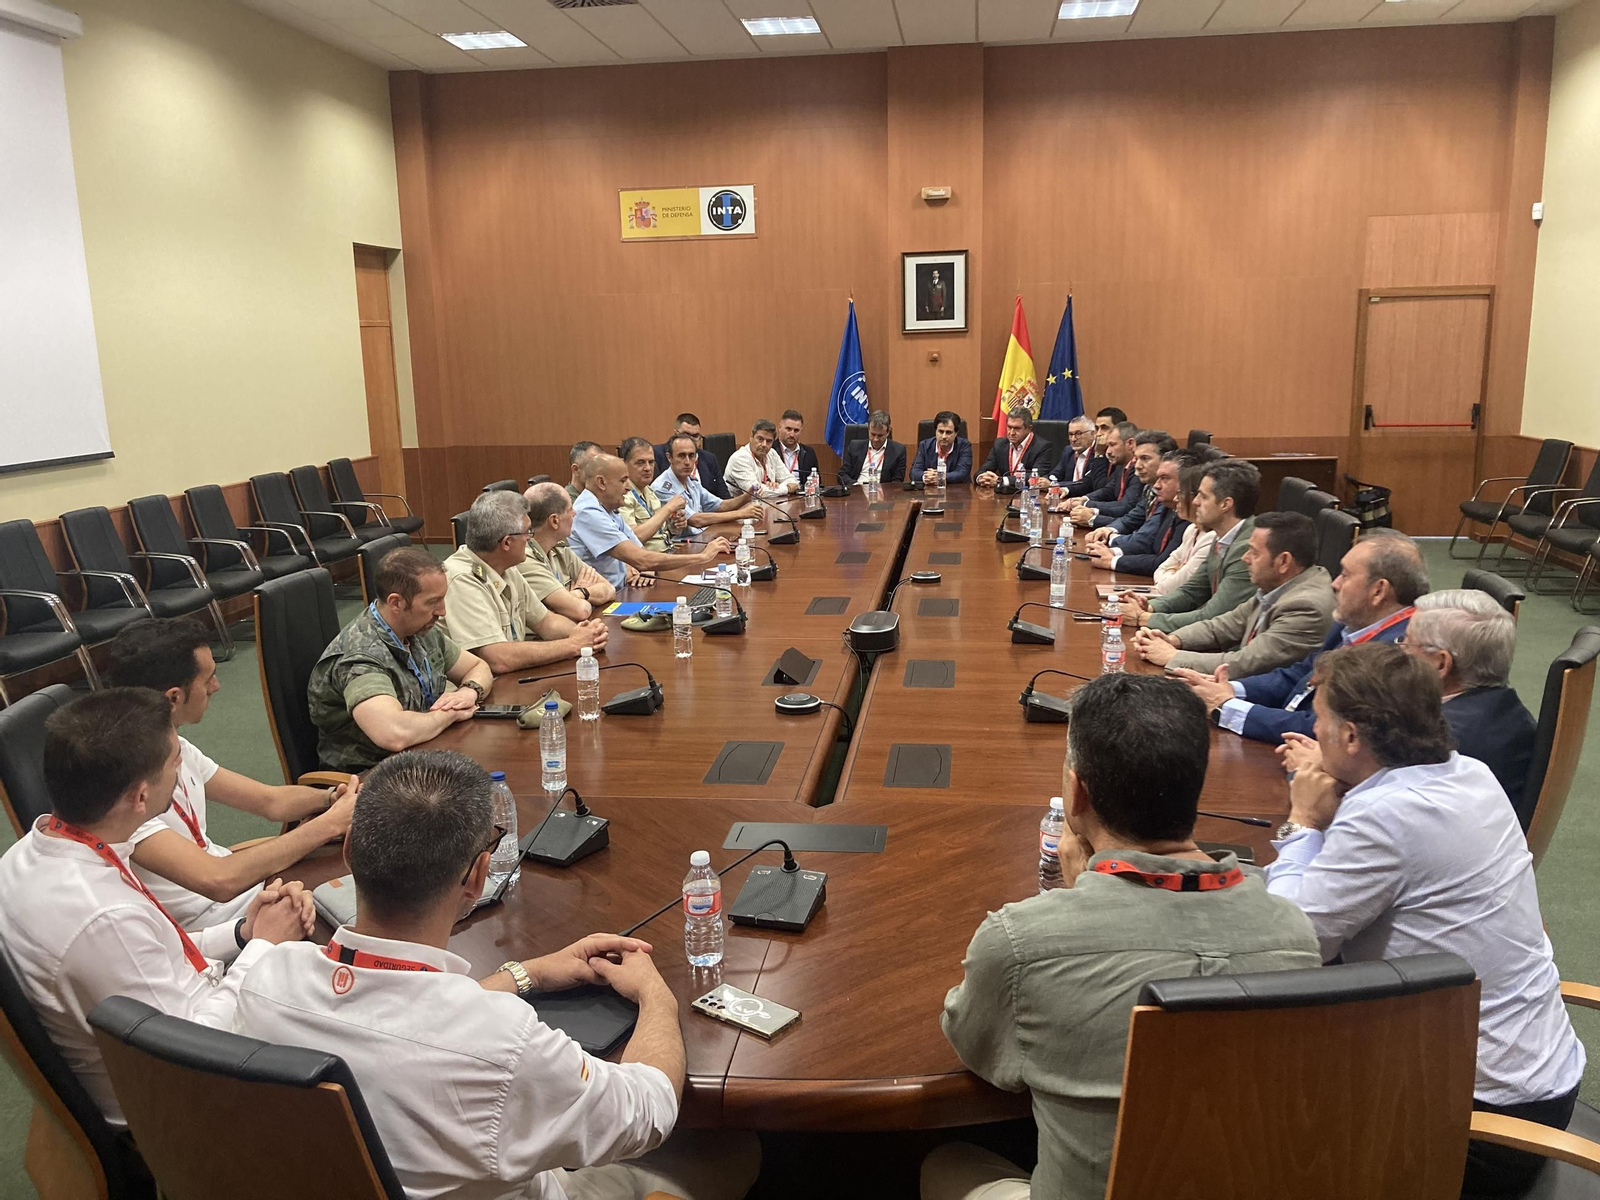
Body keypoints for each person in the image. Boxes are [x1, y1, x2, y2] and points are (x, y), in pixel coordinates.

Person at [234, 750, 762, 1200]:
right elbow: (648, 1110)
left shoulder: (266, 977)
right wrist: (655, 994)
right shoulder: (502, 1043)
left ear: (349, 852)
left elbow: (397, 1011)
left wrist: (527, 974)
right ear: (477, 876)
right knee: (735, 1151)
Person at [931, 675, 1319, 1200]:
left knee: (945, 1162)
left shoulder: (1020, 943)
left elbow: (978, 1053)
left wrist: (1074, 898)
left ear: (1077, 792)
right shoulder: (1293, 934)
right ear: (1193, 787)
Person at [1265, 644, 1583, 1200]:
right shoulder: (1472, 775)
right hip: (1536, 1083)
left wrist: (1303, 824)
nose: (1313, 732)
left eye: (1319, 721)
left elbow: (1292, 943)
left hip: (1476, 1126)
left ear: (1351, 737)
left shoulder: (1383, 815)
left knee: (1246, 1098)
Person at [0, 689, 312, 1124]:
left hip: (163, 1033)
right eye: (175, 763)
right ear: (141, 798)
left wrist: (242, 933)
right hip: (180, 1101)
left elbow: (158, 953)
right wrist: (264, 946)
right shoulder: (104, 916)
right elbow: (196, 1048)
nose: (182, 768)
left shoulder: (35, 851)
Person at [104, 618, 358, 932]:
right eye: (208, 679)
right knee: (369, 877)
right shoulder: (123, 793)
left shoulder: (174, 746)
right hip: (213, 922)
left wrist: (331, 799)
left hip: (241, 888)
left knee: (362, 863)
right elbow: (218, 880)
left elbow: (270, 801)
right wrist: (330, 823)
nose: (216, 686)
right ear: (174, 697)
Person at [1172, 527, 1428, 744]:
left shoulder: (1396, 654)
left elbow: (1326, 729)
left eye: (1345, 575)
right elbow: (1299, 675)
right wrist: (1231, 689)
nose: (1335, 583)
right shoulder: (1350, 625)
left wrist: (1226, 707)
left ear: (1379, 590)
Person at [308, 546, 495, 772]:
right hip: (371, 776)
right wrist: (450, 714)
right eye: (432, 602)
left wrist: (468, 692)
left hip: (423, 754)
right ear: (396, 603)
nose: (442, 611)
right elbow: (393, 733)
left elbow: (477, 666)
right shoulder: (360, 656)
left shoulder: (419, 629)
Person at [1134, 511, 1334, 679]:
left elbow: (1246, 663)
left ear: (1283, 562)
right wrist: (1173, 639)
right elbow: (1223, 626)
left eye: (1254, 552)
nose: (1245, 558)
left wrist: (1172, 656)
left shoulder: (1305, 606)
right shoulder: (1278, 585)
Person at [1404, 589, 1538, 824]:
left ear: (1441, 664)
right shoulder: (1506, 707)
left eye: (1407, 643)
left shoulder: (1439, 741)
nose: (1400, 652)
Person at [441, 491, 607, 675]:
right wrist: (573, 644)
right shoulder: (462, 580)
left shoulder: (506, 567)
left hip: (510, 678)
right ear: (507, 543)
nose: (531, 538)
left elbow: (546, 621)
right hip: (478, 688)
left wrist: (587, 634)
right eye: (528, 532)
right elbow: (497, 658)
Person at [1121, 458, 1260, 634]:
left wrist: (1144, 618)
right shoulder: (1222, 536)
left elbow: (1212, 616)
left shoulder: (1247, 548)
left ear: (1225, 504)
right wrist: (1149, 606)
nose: (1195, 502)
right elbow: (1192, 591)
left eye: (1203, 496)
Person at [568, 452, 732, 587]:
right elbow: (641, 559)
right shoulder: (588, 512)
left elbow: (639, 552)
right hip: (604, 601)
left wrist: (644, 566)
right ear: (601, 483)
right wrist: (702, 557)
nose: (628, 487)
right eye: (623, 481)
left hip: (626, 587)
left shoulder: (608, 507)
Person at [1083, 450, 1191, 576]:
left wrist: (1113, 560)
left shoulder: (1187, 516)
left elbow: (1163, 561)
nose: (1156, 486)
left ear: (1185, 484)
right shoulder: (1169, 505)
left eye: (1164, 478)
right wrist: (1113, 552)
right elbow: (1150, 545)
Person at [522, 481, 622, 615]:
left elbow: (609, 589)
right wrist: (580, 598)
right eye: (570, 509)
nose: (574, 513)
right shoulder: (525, 559)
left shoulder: (560, 549)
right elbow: (580, 611)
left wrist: (579, 593)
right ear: (554, 521)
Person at [653, 433, 763, 530]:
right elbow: (695, 520)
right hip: (682, 543)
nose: (687, 462)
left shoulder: (691, 481)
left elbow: (720, 506)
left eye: (691, 456)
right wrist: (740, 514)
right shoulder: (663, 487)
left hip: (701, 536)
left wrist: (746, 497)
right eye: (681, 456)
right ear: (669, 457)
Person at [1072, 429, 1177, 529]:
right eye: (1136, 458)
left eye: (1145, 458)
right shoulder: (1149, 488)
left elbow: (1143, 529)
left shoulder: (1170, 496)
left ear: (1165, 460)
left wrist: (1092, 515)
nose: (1137, 466)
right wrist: (1089, 508)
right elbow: (1131, 519)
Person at [1151, 460, 1216, 596]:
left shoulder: (1211, 539)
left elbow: (1171, 588)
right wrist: (1174, 572)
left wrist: (1173, 571)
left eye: (1181, 493)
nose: (1176, 499)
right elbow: (1159, 569)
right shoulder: (1191, 530)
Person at [618, 436, 688, 554]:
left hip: (668, 551)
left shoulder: (648, 490)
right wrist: (668, 508)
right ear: (624, 464)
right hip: (649, 560)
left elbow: (660, 534)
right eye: (640, 463)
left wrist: (673, 527)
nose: (648, 468)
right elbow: (633, 539)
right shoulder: (622, 495)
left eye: (651, 462)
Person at [1054, 421, 1136, 516]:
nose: (1108, 451)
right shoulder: (1122, 464)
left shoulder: (1138, 468)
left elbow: (1125, 507)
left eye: (1112, 445)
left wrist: (1087, 505)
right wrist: (1084, 499)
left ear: (1130, 444)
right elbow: (1108, 490)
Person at [652, 413, 730, 499]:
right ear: (675, 434)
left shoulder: (709, 458)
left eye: (695, 436)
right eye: (686, 435)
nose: (690, 439)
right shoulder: (656, 454)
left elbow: (724, 496)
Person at [975, 408, 1056, 487]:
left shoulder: (1043, 447)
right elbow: (984, 470)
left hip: (1028, 493)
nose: (1011, 433)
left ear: (1029, 428)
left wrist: (1001, 481)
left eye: (1017, 428)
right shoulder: (999, 444)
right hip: (1002, 494)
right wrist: (981, 478)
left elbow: (1036, 476)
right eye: (1009, 427)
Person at [723, 418, 799, 500]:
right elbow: (755, 492)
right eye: (760, 439)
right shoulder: (740, 458)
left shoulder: (772, 454)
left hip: (767, 503)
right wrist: (786, 488)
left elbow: (792, 481)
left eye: (769, 441)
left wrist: (774, 488)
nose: (764, 445)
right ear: (751, 436)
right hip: (740, 506)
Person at [838, 409, 906, 486]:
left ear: (888, 432)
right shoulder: (854, 447)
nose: (876, 439)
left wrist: (882, 490)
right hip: (857, 489)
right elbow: (842, 474)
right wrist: (856, 485)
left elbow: (897, 481)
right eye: (873, 434)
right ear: (868, 429)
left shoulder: (898, 451)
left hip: (883, 491)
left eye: (880, 435)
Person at [911, 411, 974, 485]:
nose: (944, 436)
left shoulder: (964, 446)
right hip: (930, 490)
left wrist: (940, 477)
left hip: (957, 490)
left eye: (948, 432)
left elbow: (962, 473)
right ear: (935, 431)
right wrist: (926, 477)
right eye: (940, 432)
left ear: (956, 433)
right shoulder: (924, 445)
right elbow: (914, 472)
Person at [1051, 415, 1106, 495]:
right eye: (1070, 434)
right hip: (1067, 497)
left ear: (1092, 434)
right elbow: (1056, 474)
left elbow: (1086, 483)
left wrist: (1054, 485)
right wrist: (1046, 480)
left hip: (1086, 497)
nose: (1073, 439)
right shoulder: (1068, 450)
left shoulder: (1099, 453)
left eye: (1078, 434)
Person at [775, 409, 819, 482]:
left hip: (803, 488)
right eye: (788, 429)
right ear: (779, 428)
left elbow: (816, 481)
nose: (792, 434)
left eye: (796, 430)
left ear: (801, 431)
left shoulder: (809, 452)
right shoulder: (771, 450)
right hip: (780, 488)